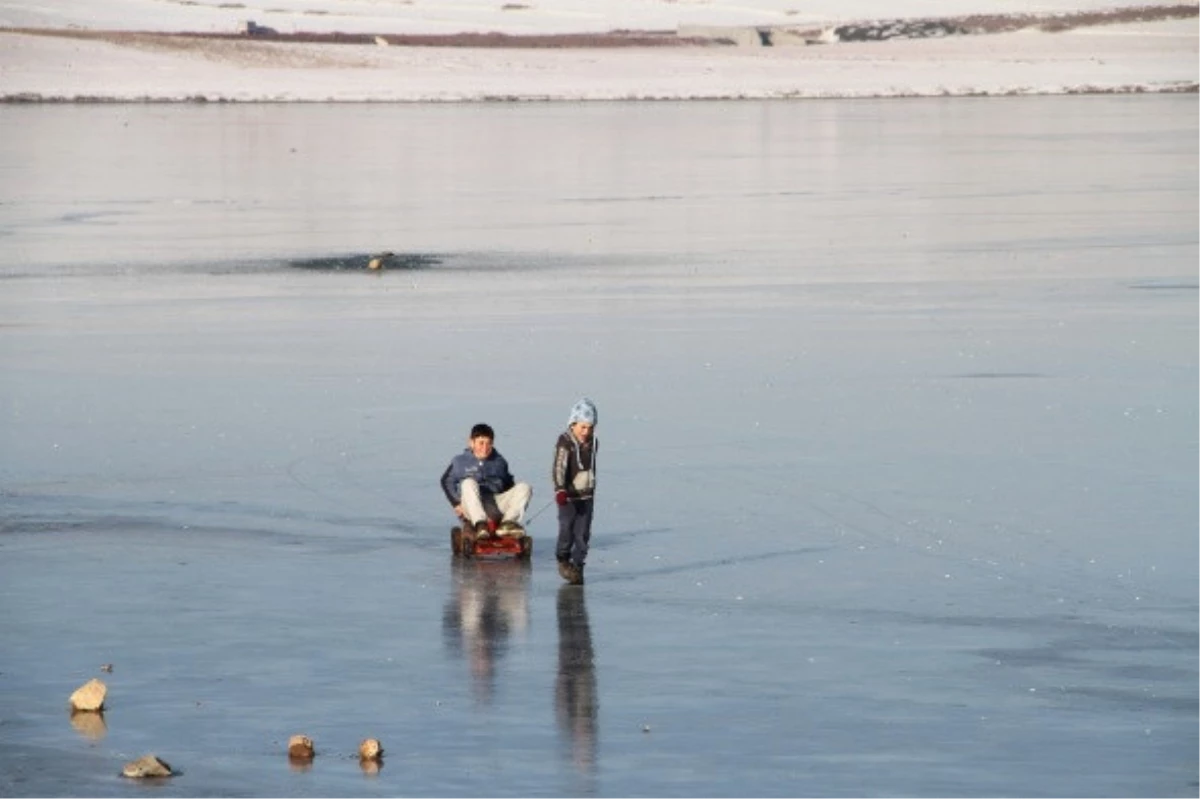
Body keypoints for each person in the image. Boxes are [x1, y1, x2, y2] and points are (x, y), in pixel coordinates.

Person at [441, 423, 531, 537]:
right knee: (468, 483)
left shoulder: (499, 461)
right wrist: (456, 503)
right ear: (471, 443)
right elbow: (446, 481)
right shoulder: (459, 461)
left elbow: (508, 483)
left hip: (495, 504)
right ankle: (480, 525)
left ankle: (508, 524)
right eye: (481, 443)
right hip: (471, 506)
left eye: (489, 443)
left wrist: (511, 499)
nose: (484, 448)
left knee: (524, 487)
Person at [553, 398, 598, 585]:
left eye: (590, 427)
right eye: (582, 427)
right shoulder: (565, 443)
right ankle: (563, 558)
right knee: (567, 528)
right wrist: (560, 489)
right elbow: (559, 468)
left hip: (586, 496)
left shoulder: (594, 442)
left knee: (583, 533)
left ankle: (578, 565)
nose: (586, 432)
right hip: (568, 497)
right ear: (573, 424)